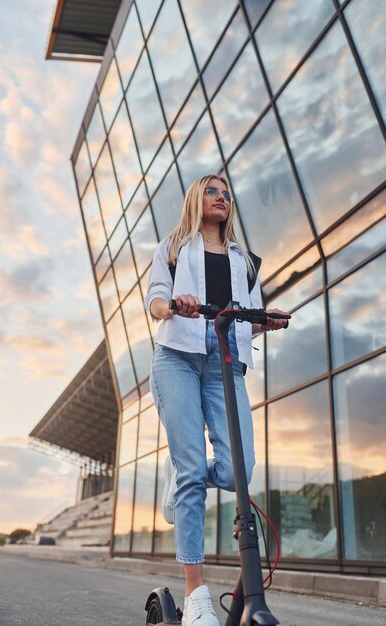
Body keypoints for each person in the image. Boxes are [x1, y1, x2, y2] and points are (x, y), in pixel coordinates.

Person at [144, 174, 288, 626]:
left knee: (238, 470)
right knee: (192, 469)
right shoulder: (172, 246)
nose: (222, 198)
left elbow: (248, 312)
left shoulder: (245, 261)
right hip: (177, 357)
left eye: (227, 194)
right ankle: (197, 594)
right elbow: (154, 300)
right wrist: (174, 305)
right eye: (213, 190)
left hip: (224, 360)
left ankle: (183, 475)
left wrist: (266, 322)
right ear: (195, 199)